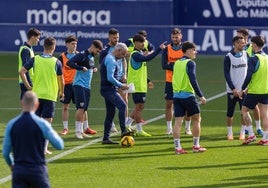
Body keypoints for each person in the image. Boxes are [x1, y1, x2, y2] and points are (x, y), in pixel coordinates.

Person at [2, 91, 64, 188]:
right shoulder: (42, 124)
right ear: (37, 104)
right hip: (38, 170)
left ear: (22, 102)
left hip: (19, 171)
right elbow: (59, 145)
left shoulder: (12, 124)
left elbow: (6, 152)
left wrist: (12, 166)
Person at [19, 37, 64, 155]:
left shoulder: (35, 59)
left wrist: (28, 86)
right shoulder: (56, 62)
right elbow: (62, 81)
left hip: (36, 96)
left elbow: (22, 71)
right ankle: (43, 149)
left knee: (34, 123)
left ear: (44, 47)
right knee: (46, 124)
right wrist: (62, 92)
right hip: (50, 97)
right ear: (53, 47)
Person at [126, 34, 166, 136]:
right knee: (139, 106)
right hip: (136, 85)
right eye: (141, 42)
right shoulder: (135, 54)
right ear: (135, 43)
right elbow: (148, 59)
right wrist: (159, 49)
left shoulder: (139, 53)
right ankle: (139, 130)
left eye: (144, 42)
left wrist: (148, 80)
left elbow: (140, 70)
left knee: (140, 106)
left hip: (140, 84)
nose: (143, 44)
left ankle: (127, 123)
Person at [172, 41, 207, 154]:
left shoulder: (177, 62)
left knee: (178, 122)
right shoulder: (190, 63)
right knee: (197, 119)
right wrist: (200, 95)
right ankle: (196, 146)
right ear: (187, 50)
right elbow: (193, 80)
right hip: (188, 96)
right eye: (193, 50)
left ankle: (178, 148)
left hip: (176, 96)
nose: (195, 52)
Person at [59, 35, 97, 136]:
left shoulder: (80, 55)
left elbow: (89, 65)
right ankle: (65, 128)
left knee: (82, 107)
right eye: (72, 44)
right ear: (67, 44)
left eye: (75, 44)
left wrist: (93, 69)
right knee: (65, 106)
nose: (74, 46)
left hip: (78, 84)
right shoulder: (62, 57)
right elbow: (58, 72)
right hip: (66, 84)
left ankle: (86, 127)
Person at [67, 40, 103, 139]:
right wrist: (79, 67)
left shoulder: (91, 57)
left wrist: (94, 68)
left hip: (87, 86)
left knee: (84, 109)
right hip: (79, 85)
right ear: (93, 47)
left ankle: (82, 131)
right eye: (97, 51)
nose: (98, 53)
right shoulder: (82, 54)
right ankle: (77, 131)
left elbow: (88, 66)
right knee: (81, 108)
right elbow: (69, 63)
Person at [100, 43, 133, 144]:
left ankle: (105, 138)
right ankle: (123, 131)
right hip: (108, 89)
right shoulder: (111, 60)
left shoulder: (111, 58)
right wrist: (121, 85)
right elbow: (110, 78)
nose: (123, 57)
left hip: (109, 89)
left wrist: (120, 80)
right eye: (122, 54)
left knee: (110, 113)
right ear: (118, 51)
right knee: (122, 106)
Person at [161, 28, 192, 135]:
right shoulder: (167, 49)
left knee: (187, 105)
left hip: (184, 80)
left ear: (181, 36)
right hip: (170, 80)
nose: (175, 39)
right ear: (171, 37)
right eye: (173, 37)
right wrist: (179, 64)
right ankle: (169, 128)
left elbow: (188, 63)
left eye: (177, 37)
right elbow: (164, 65)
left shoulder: (185, 48)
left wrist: (172, 64)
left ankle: (187, 128)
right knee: (169, 104)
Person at [239, 35, 268, 145]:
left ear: (255, 45)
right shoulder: (267, 57)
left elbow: (249, 75)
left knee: (244, 110)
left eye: (252, 43)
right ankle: (265, 139)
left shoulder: (254, 59)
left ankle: (251, 134)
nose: (251, 45)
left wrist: (243, 89)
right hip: (266, 90)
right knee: (265, 114)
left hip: (255, 91)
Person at [99, 28, 128, 133]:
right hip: (111, 83)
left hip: (119, 79)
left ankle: (123, 126)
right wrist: (118, 83)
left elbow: (123, 60)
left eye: (118, 37)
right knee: (120, 105)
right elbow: (104, 68)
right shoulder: (106, 52)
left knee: (124, 103)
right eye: (114, 37)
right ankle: (122, 129)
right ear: (109, 37)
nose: (116, 39)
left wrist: (124, 74)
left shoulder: (119, 48)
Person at [236, 28, 263, 136]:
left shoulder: (252, 47)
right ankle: (247, 127)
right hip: (243, 78)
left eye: (240, 36)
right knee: (244, 105)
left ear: (245, 37)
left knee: (254, 105)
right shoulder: (239, 47)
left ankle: (259, 127)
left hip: (252, 78)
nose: (238, 38)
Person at [224, 36, 248, 140]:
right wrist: (233, 89)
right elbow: (226, 74)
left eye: (244, 43)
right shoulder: (228, 57)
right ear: (235, 44)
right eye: (242, 43)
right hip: (232, 91)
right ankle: (230, 132)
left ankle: (242, 132)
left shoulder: (246, 54)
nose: (244, 44)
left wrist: (245, 88)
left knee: (244, 112)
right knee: (230, 112)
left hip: (244, 90)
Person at [18, 28, 41, 100]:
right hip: (27, 82)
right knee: (28, 107)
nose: (38, 40)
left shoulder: (29, 49)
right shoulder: (25, 50)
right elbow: (25, 69)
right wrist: (29, 85)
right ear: (33, 37)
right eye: (38, 38)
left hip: (28, 81)